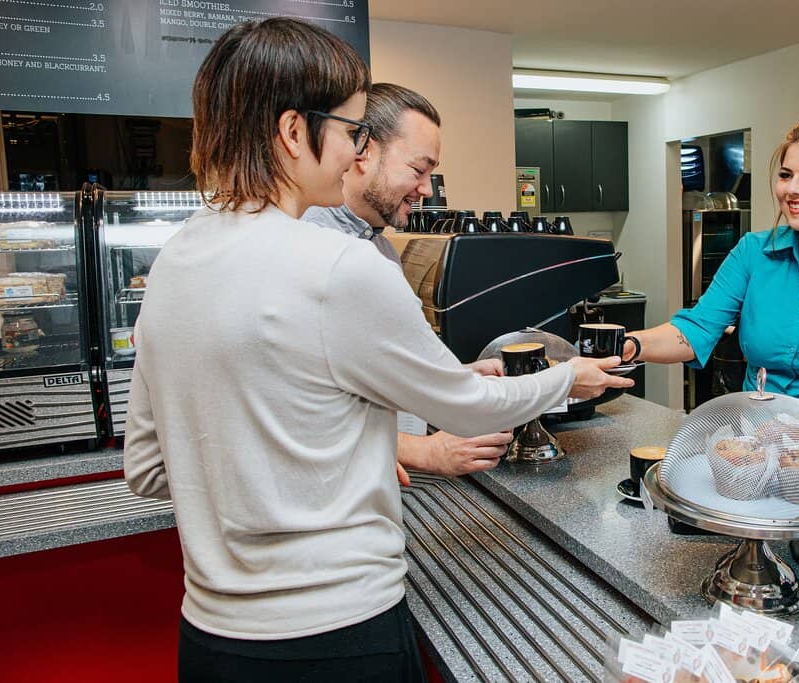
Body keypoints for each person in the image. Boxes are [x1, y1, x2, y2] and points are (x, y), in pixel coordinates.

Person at [122, 18, 632, 682]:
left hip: (213, 641)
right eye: (352, 131)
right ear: (294, 132)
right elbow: (471, 408)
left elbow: (147, 466)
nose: (355, 152)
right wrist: (568, 378)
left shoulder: (175, 260)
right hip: (338, 636)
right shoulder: (337, 263)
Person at [622, 116, 799, 480]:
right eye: (786, 175)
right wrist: (628, 344)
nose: (793, 189)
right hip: (758, 452)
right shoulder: (753, 254)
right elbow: (695, 329)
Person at [303, 83, 511, 479]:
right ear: (363, 150)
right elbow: (300, 409)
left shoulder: (377, 246)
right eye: (419, 170)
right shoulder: (309, 246)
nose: (426, 189)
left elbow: (371, 374)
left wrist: (458, 376)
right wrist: (422, 451)